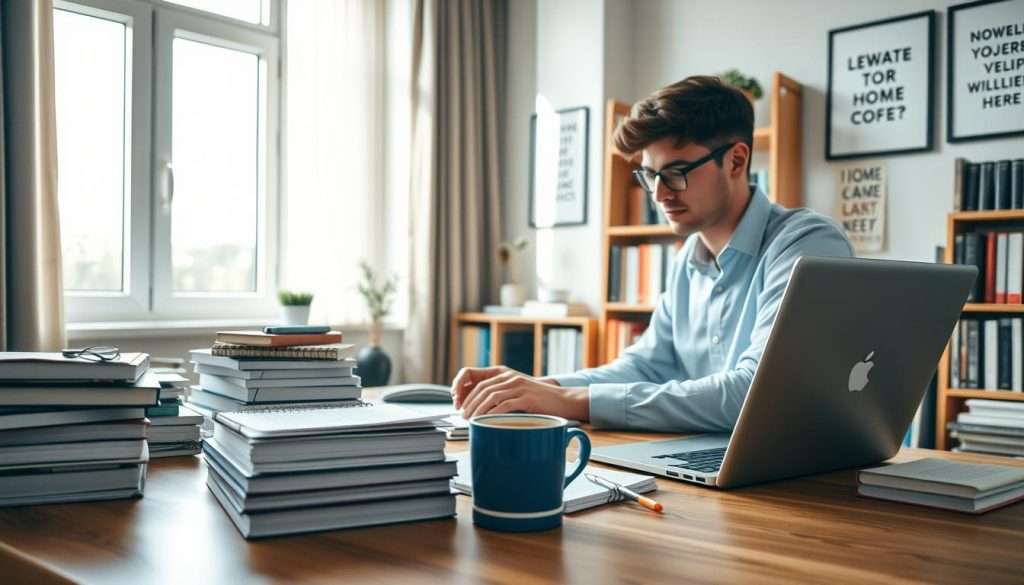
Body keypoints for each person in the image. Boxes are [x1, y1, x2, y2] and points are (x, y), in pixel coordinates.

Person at [452, 75, 853, 432]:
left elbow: (755, 393)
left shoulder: (805, 244)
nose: (659, 194)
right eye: (649, 175)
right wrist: (537, 387)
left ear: (736, 160)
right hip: (721, 461)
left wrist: (573, 402)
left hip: (807, 480)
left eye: (676, 172)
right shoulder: (687, 261)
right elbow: (645, 366)